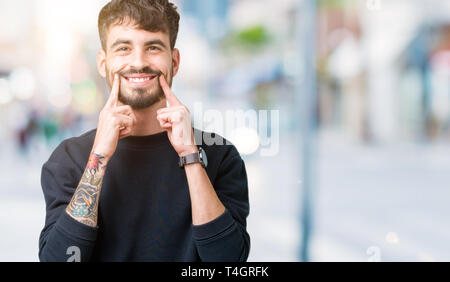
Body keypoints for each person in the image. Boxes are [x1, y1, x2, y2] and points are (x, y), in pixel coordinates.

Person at [38, 0, 250, 262]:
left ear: (174, 61)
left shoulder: (221, 155)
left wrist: (190, 155)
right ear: (103, 63)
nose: (138, 62)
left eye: (152, 47)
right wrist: (100, 156)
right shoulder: (69, 158)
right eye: (123, 48)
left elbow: (228, 263)